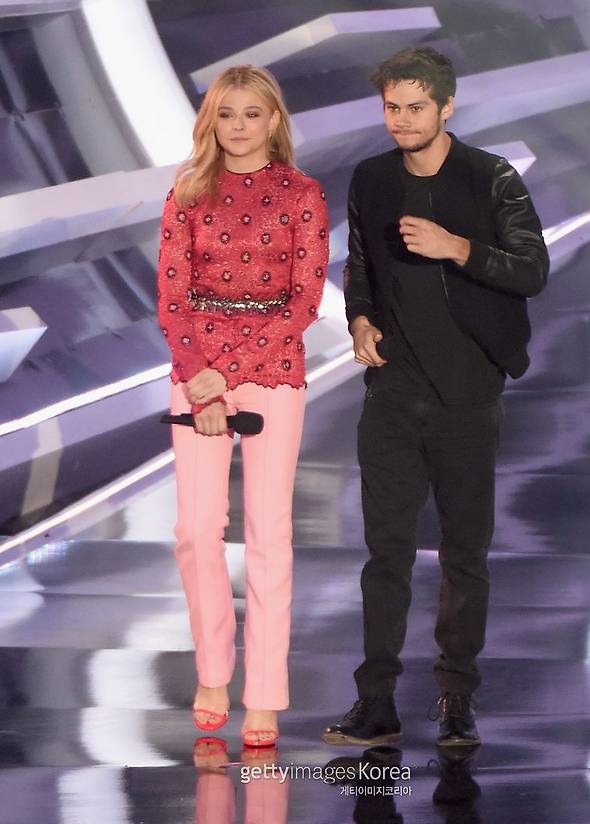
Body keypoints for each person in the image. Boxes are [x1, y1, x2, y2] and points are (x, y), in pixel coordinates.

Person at [324, 47, 549, 747]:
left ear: (447, 106)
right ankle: (376, 701)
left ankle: (456, 698)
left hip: (467, 393)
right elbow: (361, 266)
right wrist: (359, 320)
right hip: (393, 392)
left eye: (415, 107)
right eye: (392, 107)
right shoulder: (372, 178)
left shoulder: (490, 176)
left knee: (464, 553)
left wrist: (458, 247)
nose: (401, 120)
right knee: (385, 553)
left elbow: (532, 270)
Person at [157, 65, 328, 748]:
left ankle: (263, 694)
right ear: (211, 121)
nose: (238, 126)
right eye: (226, 114)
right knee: (197, 529)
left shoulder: (302, 194)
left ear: (274, 120)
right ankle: (211, 673)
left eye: (251, 114)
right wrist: (201, 376)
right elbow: (171, 295)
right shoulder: (187, 190)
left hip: (273, 369)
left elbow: (305, 300)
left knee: (268, 532)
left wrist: (222, 377)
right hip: (195, 366)